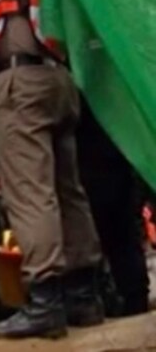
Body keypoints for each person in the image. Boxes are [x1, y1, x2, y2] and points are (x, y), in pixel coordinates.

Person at [0, 0, 104, 339]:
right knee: (67, 189)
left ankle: (46, 299)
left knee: (30, 191)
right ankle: (83, 297)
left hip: (23, 80)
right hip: (58, 76)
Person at [76, 97, 150, 317]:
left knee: (111, 237)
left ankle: (123, 299)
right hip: (115, 163)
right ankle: (133, 299)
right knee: (123, 237)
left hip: (94, 168)